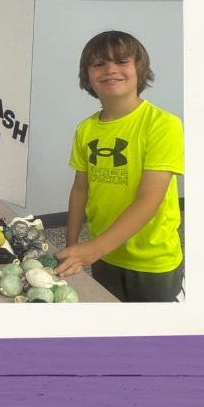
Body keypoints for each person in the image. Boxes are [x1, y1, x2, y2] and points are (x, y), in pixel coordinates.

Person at [56, 30, 184, 301]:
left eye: (122, 61)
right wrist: (73, 247)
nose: (110, 70)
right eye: (99, 63)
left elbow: (149, 199)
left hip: (152, 257)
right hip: (106, 254)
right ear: (87, 76)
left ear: (140, 69)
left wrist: (93, 249)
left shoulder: (163, 125)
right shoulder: (85, 129)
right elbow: (80, 190)